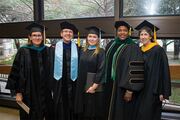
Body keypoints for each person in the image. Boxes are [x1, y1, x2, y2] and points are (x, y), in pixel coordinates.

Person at [6, 22, 53, 120]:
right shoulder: (23, 51)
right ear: (30, 37)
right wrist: (18, 92)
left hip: (45, 91)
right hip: (28, 91)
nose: (37, 37)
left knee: (46, 113)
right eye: (34, 35)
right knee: (29, 115)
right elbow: (16, 72)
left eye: (39, 35)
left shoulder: (47, 50)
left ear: (42, 36)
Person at [104, 21, 144, 120]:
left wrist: (130, 90)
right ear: (117, 32)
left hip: (122, 88)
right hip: (108, 86)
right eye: (120, 30)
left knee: (121, 114)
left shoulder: (133, 47)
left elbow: (135, 69)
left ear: (128, 32)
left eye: (125, 30)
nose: (122, 33)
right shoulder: (111, 44)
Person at [135, 20, 171, 120]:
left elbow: (164, 71)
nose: (143, 37)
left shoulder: (158, 50)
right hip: (139, 89)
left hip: (153, 89)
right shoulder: (138, 50)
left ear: (151, 36)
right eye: (141, 34)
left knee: (150, 114)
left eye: (145, 34)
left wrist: (163, 92)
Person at [75, 26, 105, 120]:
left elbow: (101, 69)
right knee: (83, 109)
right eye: (90, 36)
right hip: (81, 84)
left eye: (94, 36)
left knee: (92, 110)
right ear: (87, 37)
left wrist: (94, 86)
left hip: (93, 85)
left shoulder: (101, 51)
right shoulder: (82, 50)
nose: (92, 39)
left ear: (98, 38)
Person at [50, 21, 79, 120]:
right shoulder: (53, 49)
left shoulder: (78, 49)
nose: (68, 33)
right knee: (60, 106)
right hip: (59, 83)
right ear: (61, 34)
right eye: (65, 31)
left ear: (73, 34)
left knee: (72, 104)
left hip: (73, 83)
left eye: (70, 32)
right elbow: (49, 66)